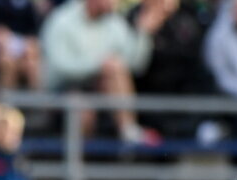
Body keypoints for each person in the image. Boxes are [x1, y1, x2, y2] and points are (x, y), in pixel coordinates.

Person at [40, 0, 174, 143]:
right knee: (82, 111)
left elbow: (136, 65)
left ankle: (129, 131)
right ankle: (76, 162)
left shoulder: (114, 22)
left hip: (100, 90)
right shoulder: (62, 19)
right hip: (61, 92)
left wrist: (143, 32)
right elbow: (59, 67)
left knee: (116, 69)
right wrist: (99, 65)